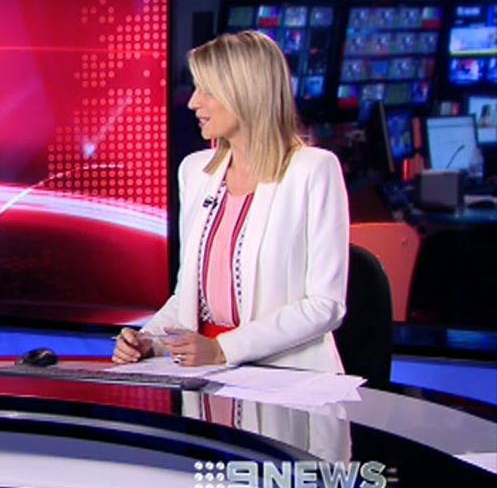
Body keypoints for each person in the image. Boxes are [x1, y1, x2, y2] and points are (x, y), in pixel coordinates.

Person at [114, 30, 349, 372]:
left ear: (245, 92)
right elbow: (188, 296)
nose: (193, 102)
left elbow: (325, 305)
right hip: (204, 371)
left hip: (288, 375)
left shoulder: (313, 170)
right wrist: (151, 339)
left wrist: (223, 349)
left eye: (206, 90)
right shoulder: (196, 172)